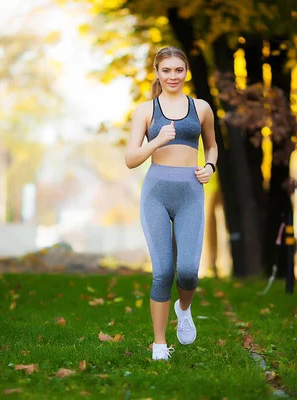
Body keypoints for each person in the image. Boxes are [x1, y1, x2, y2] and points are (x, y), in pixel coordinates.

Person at [125, 46, 218, 361]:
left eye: (179, 69)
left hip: (191, 191)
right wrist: (156, 141)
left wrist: (210, 167)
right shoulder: (146, 110)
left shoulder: (201, 107)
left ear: (187, 71)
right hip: (156, 193)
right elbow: (130, 159)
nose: (173, 76)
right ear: (157, 73)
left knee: (189, 272)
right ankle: (160, 344)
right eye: (167, 70)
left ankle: (185, 307)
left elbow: (213, 146)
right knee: (163, 271)